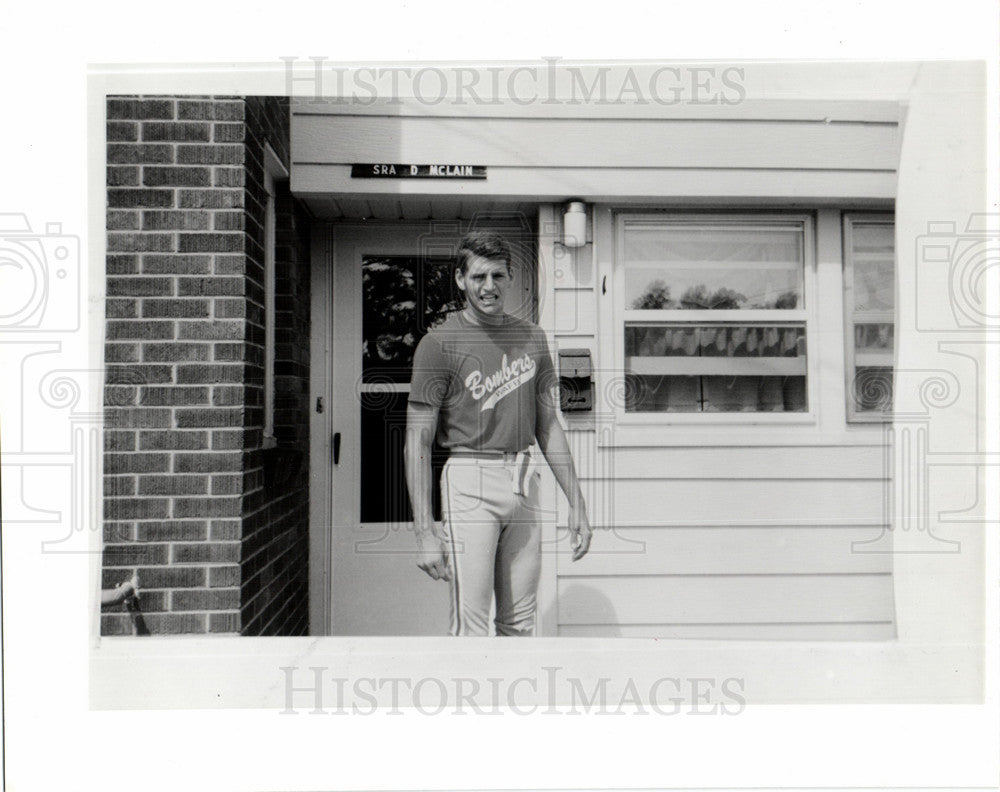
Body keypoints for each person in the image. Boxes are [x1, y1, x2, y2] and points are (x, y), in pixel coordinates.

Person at [404, 231, 591, 636]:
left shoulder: (532, 337)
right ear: (460, 279)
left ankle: (509, 701)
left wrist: (577, 502)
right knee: (471, 623)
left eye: (498, 276)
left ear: (509, 278)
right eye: (478, 277)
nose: (489, 287)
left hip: (525, 478)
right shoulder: (439, 343)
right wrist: (424, 530)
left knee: (520, 622)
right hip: (470, 477)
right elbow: (416, 440)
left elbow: (548, 424)